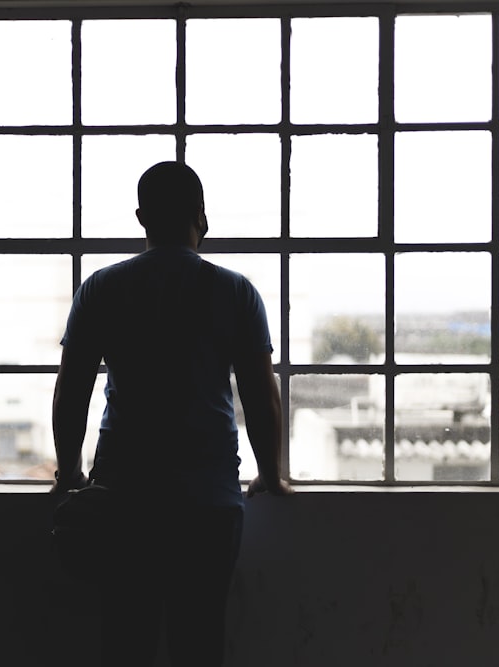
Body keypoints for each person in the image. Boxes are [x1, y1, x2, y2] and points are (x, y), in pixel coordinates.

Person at [50, 160, 294, 667]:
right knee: (198, 643)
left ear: (141, 218)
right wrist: (273, 476)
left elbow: (71, 390)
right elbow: (260, 397)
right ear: (201, 218)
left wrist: (70, 472)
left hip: (123, 498)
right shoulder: (235, 291)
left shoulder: (101, 288)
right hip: (208, 502)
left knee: (126, 641)